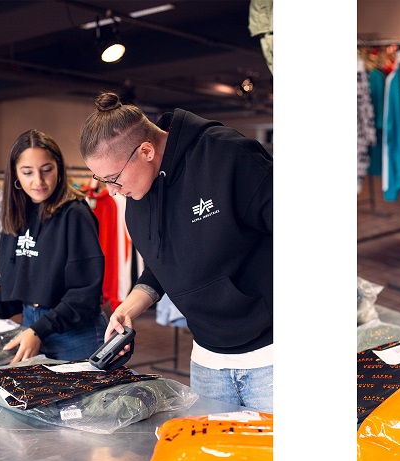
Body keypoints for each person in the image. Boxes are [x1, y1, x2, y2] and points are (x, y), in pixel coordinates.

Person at [79, 92, 273, 411]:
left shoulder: (227, 155)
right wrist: (129, 308)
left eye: (113, 179)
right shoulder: (138, 194)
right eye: (102, 180)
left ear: (146, 151)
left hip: (271, 356)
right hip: (207, 361)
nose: (111, 191)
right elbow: (163, 264)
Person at [0, 129, 107, 363]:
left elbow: (84, 293)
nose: (38, 181)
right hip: (32, 330)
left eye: (46, 170)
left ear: (59, 168)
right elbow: (14, 289)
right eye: (27, 172)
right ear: (15, 173)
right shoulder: (16, 215)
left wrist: (40, 329)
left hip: (76, 335)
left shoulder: (75, 214)